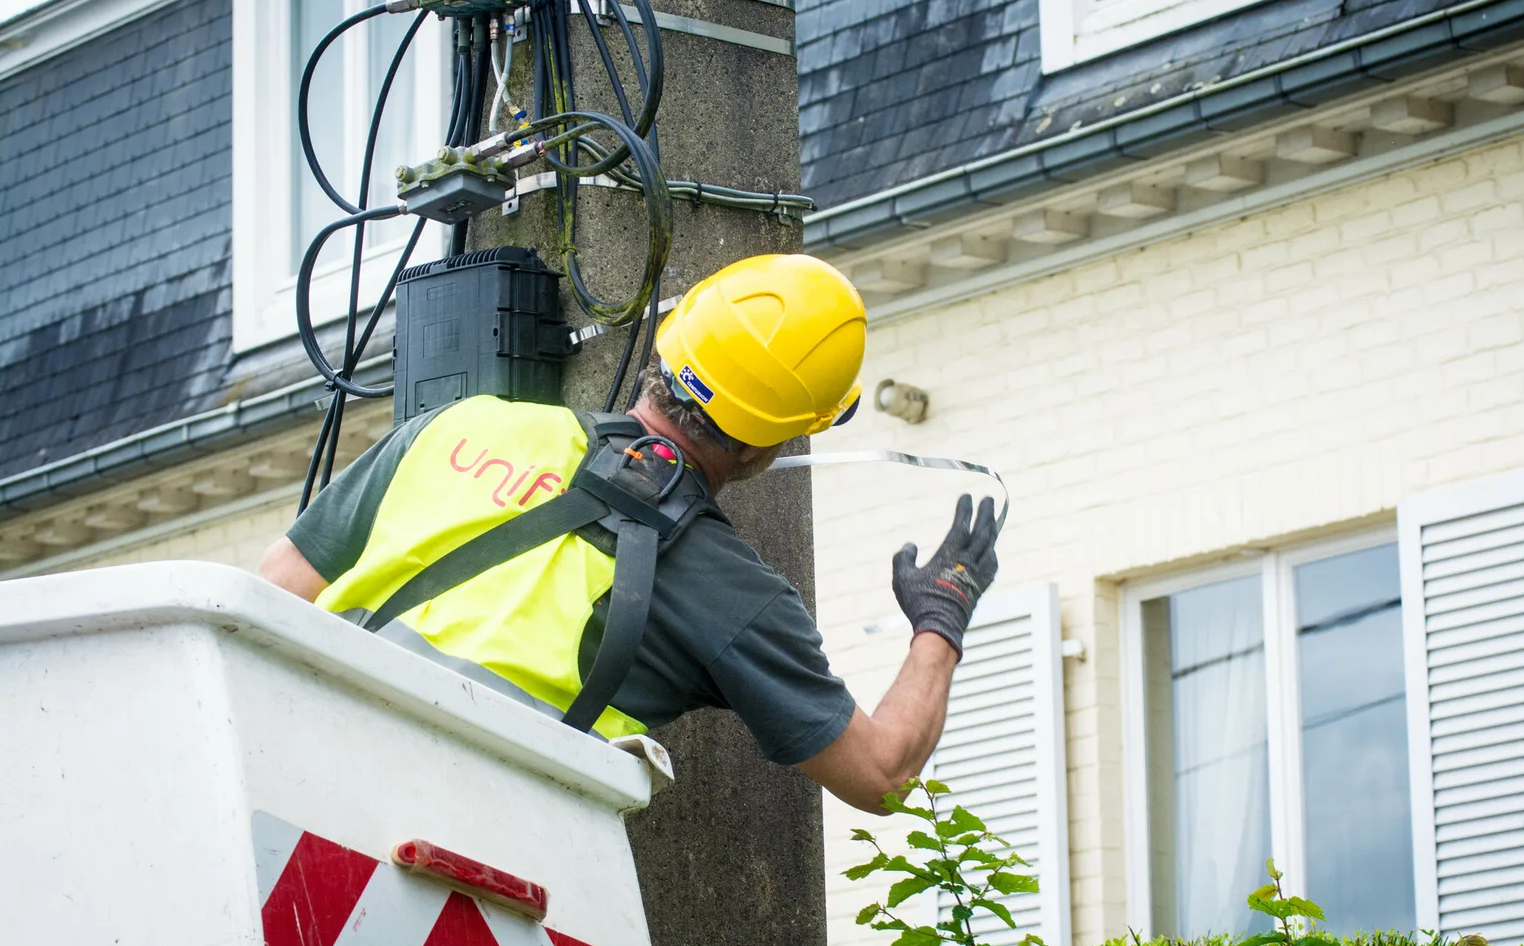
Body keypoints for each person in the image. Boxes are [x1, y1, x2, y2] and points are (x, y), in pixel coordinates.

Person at [259, 253, 999, 814]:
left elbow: (276, 591)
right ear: (762, 445)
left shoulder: (462, 424)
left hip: (301, 778)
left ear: (665, 353)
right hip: (472, 848)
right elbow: (883, 774)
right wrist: (941, 618)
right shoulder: (732, 591)